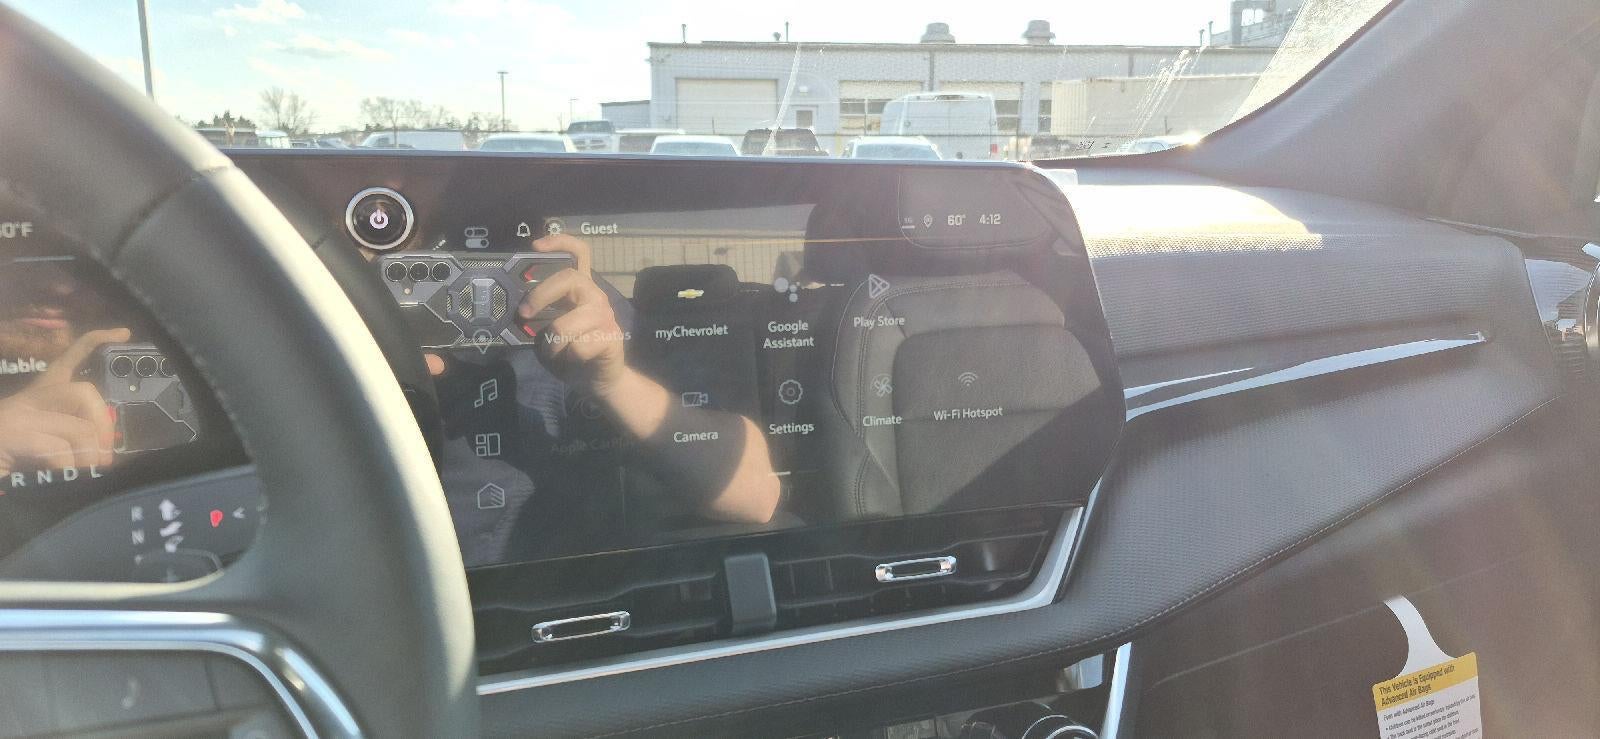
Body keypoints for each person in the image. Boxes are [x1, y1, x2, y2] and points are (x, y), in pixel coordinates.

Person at [428, 233, 780, 563]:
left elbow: (754, 493)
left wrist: (614, 385)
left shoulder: (583, 311)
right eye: (414, 267)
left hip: (543, 580)